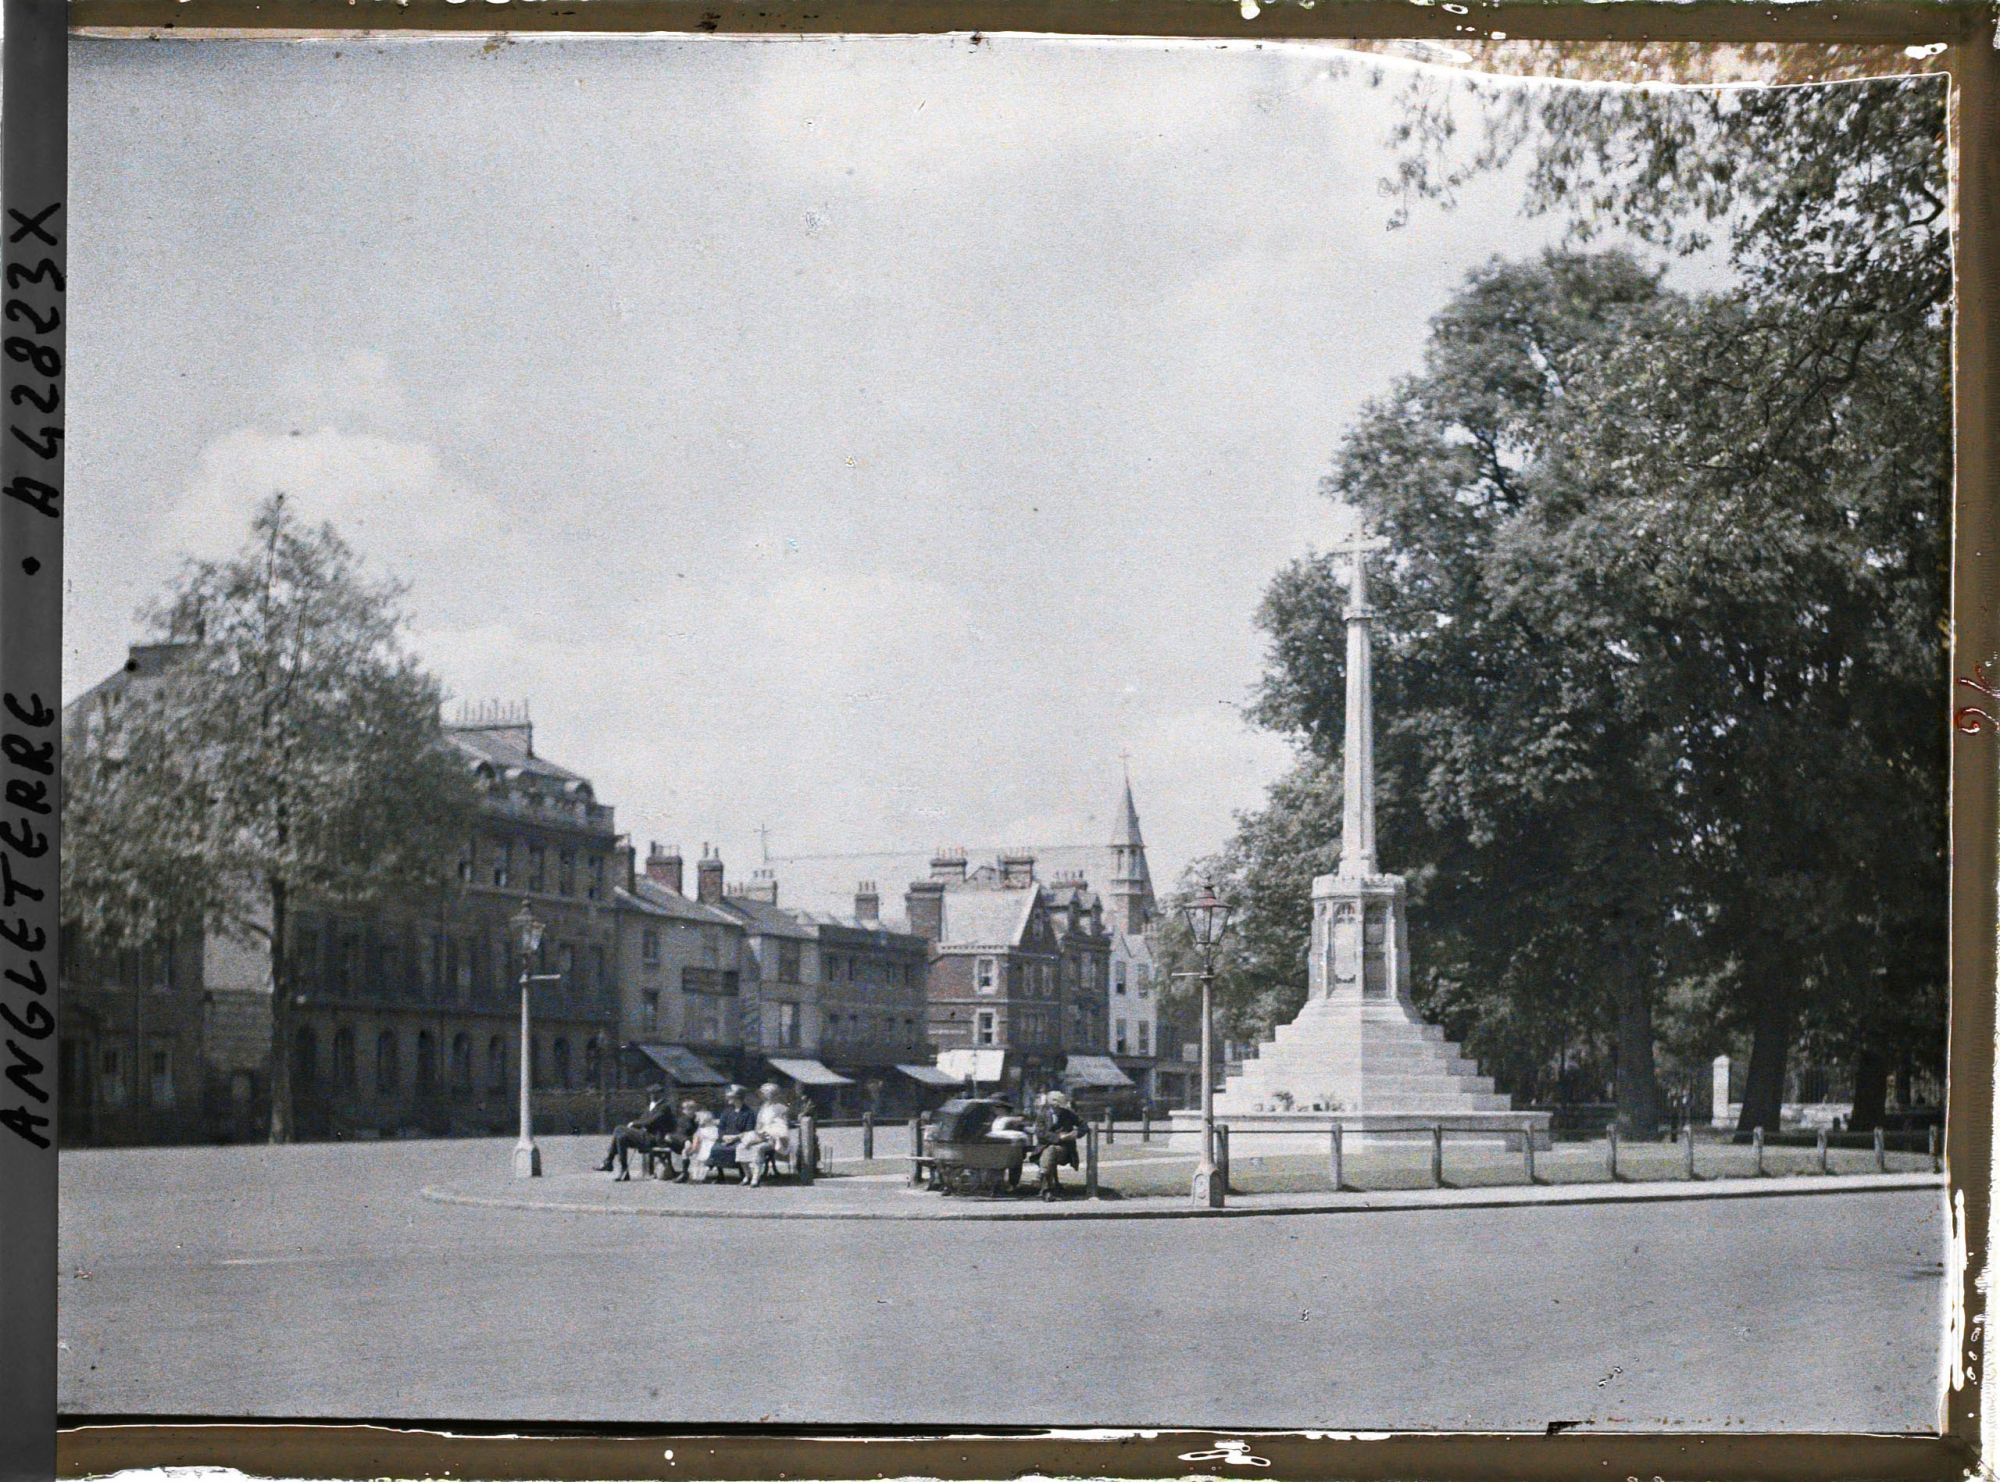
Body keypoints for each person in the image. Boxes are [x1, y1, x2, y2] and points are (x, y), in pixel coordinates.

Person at [596, 1084, 675, 1181]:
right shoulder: (650, 1107)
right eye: (651, 1093)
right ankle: (624, 1172)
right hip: (645, 1136)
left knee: (619, 1128)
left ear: (661, 1094)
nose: (652, 1096)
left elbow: (651, 1121)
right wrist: (637, 1124)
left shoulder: (664, 1107)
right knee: (621, 1138)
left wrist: (634, 1123)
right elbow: (643, 1120)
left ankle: (608, 1161)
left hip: (654, 1138)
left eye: (655, 1093)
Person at [1029, 1089, 1083, 1201]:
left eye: (1059, 1106)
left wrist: (1076, 1134)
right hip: (1044, 1148)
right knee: (1049, 1152)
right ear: (1050, 1105)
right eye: (1055, 1106)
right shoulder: (1042, 1115)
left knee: (1051, 1150)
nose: (1058, 1109)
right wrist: (1059, 1137)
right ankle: (1047, 1190)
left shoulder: (1068, 1114)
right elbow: (1040, 1133)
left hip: (1064, 1149)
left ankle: (1041, 1175)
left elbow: (1084, 1125)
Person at [737, 1081, 793, 1187]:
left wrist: (772, 1132)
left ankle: (755, 1179)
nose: (763, 1096)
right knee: (741, 1146)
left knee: (759, 1148)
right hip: (762, 1134)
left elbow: (784, 1124)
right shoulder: (763, 1108)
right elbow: (758, 1125)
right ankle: (747, 1175)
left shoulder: (781, 1107)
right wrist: (758, 1133)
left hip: (775, 1137)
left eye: (766, 1094)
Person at [706, 1084, 758, 1182]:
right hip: (726, 1139)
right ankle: (720, 1174)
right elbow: (721, 1128)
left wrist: (735, 1137)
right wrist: (724, 1136)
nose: (727, 1098)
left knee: (736, 1149)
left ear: (737, 1097)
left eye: (730, 1097)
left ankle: (743, 1173)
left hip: (741, 1139)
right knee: (715, 1148)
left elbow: (749, 1130)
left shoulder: (748, 1113)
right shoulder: (727, 1111)